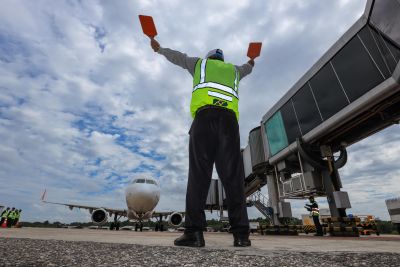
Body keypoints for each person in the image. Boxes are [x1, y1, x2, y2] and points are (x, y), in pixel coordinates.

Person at [150, 38, 256, 247]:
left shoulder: (200, 64)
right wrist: (252, 60)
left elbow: (177, 57)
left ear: (209, 57)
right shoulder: (234, 70)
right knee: (233, 179)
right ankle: (241, 236)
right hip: (229, 123)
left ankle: (194, 233)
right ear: (222, 60)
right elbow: (248, 68)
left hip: (205, 119)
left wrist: (159, 48)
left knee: (199, 176)